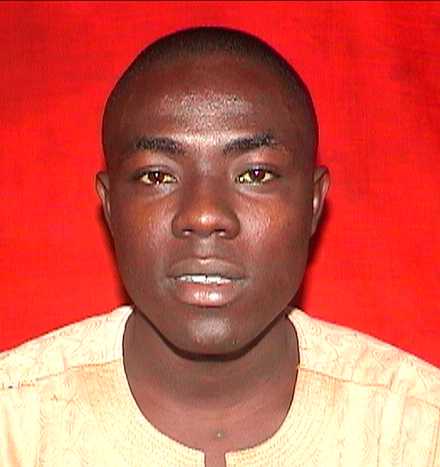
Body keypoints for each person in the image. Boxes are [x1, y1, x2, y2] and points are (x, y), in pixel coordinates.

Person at [0, 26, 439, 467]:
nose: (204, 215)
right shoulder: (15, 426)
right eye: (157, 176)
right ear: (111, 207)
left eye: (255, 175)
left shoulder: (416, 433)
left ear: (312, 203)